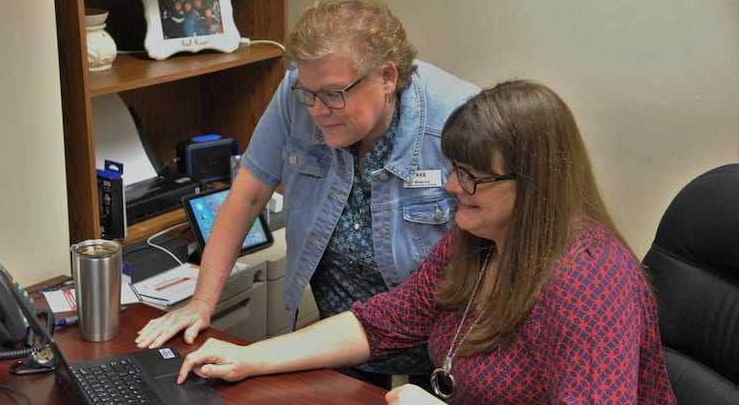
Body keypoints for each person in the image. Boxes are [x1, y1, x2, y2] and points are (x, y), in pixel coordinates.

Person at [174, 80, 678, 404]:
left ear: (535, 186)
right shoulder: (477, 242)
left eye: (473, 178)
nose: (453, 187)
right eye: (455, 169)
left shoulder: (593, 285)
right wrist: (252, 357)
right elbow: (383, 321)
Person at [136, 0, 480, 389]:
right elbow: (247, 195)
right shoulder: (303, 89)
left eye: (334, 95)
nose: (316, 109)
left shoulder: (459, 118)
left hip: (440, 348)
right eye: (308, 93)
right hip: (339, 336)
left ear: (386, 77)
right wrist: (201, 303)